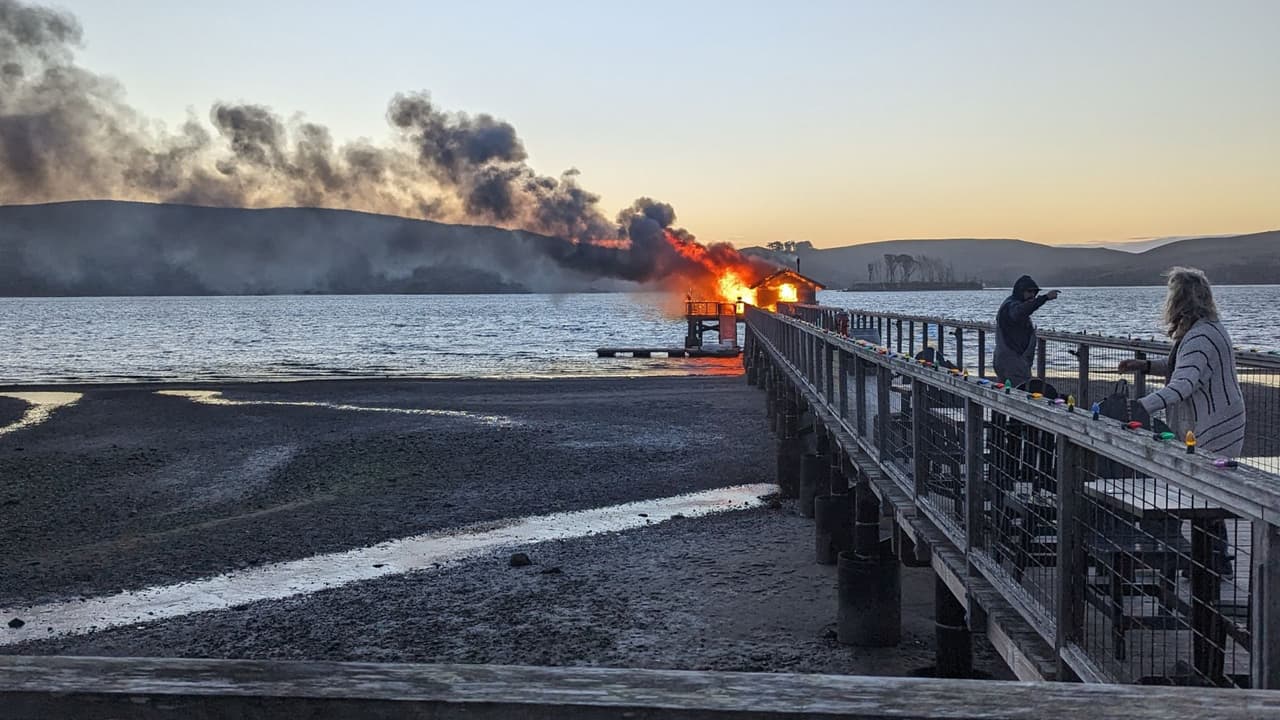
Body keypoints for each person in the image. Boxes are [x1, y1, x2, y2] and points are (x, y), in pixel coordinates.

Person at [1119, 267, 1245, 456]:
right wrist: (1146, 366)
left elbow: (1183, 384)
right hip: (1222, 416)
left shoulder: (1200, 337)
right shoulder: (1207, 328)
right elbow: (1188, 367)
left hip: (1214, 423)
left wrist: (1141, 406)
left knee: (1206, 478)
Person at [993, 275, 1059, 388]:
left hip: (1009, 360)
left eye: (1035, 292)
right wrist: (1045, 298)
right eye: (1029, 292)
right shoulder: (1012, 306)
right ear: (1020, 291)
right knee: (1019, 394)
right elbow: (1022, 310)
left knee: (1006, 393)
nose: (1032, 295)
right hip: (1013, 363)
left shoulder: (1010, 304)